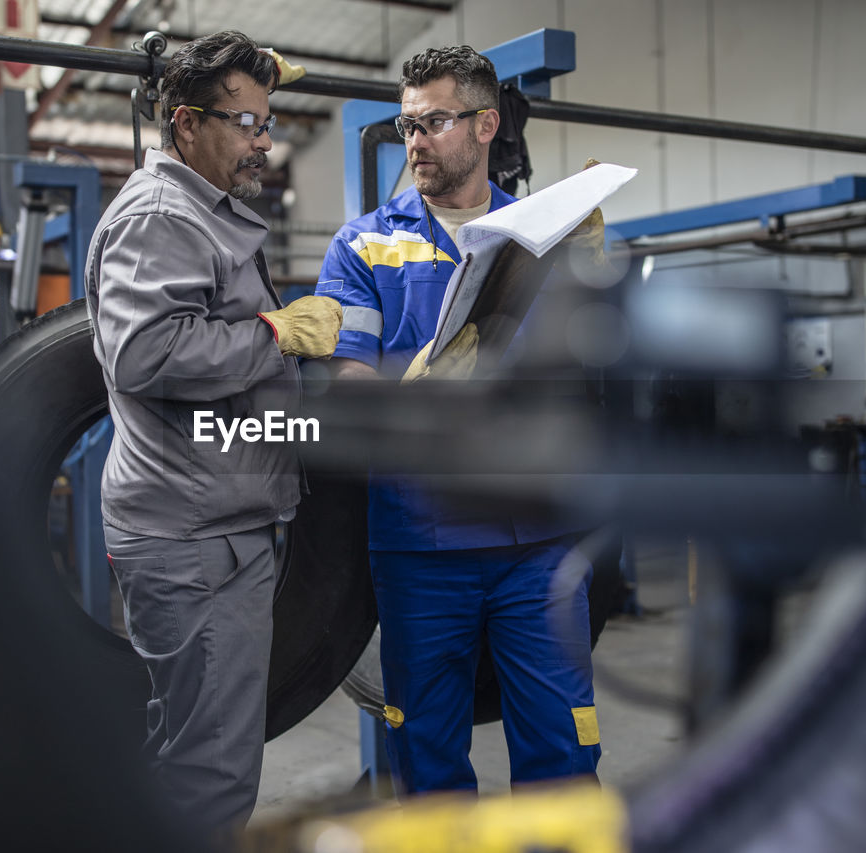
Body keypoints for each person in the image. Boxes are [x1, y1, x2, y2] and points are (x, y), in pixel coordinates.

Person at [317, 45, 602, 795]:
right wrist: (405, 387)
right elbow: (346, 385)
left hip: (536, 541)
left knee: (563, 752)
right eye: (407, 124)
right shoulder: (361, 247)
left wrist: (591, 293)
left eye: (435, 122)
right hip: (420, 547)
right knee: (431, 763)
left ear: (486, 124)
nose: (414, 141)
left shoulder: (542, 236)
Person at [84, 30, 342, 829]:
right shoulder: (162, 214)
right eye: (243, 123)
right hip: (194, 540)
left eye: (266, 123)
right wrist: (274, 334)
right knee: (214, 775)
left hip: (215, 525)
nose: (261, 142)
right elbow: (145, 352)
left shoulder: (201, 208)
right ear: (185, 123)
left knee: (191, 749)